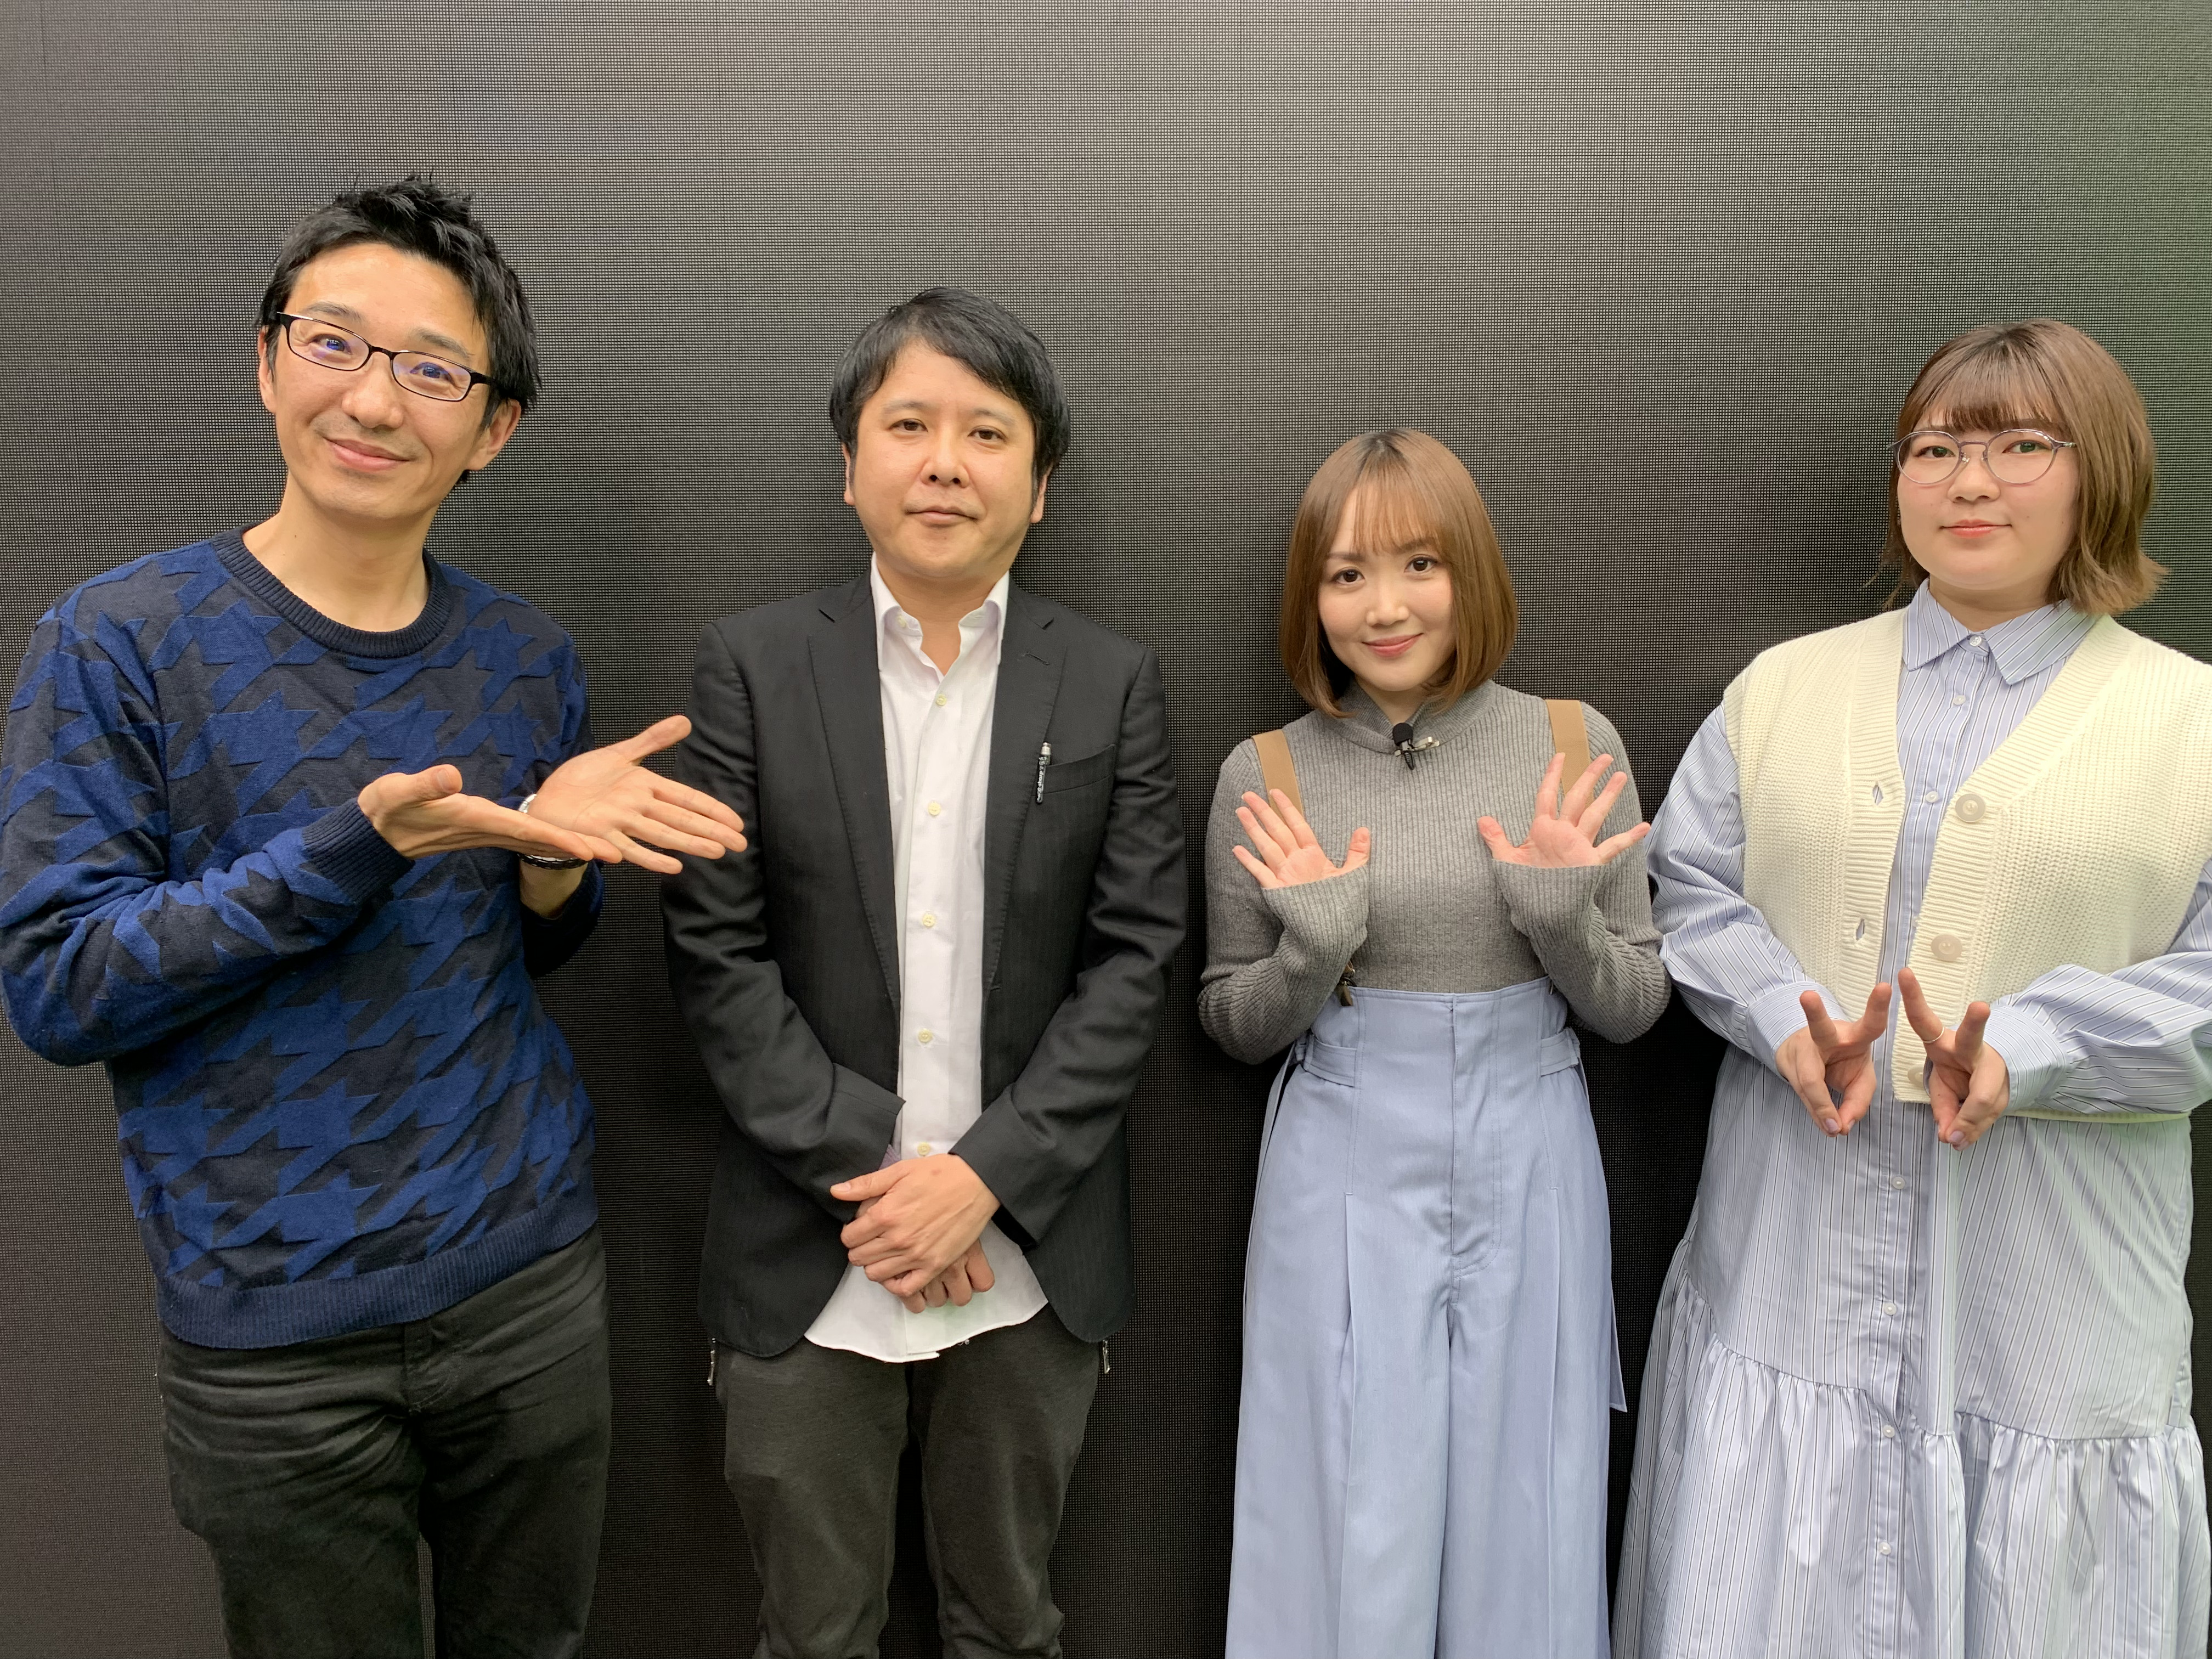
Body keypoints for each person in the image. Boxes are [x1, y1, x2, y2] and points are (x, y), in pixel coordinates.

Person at [0, 177, 746, 1659]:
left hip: (528, 1283)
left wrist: (554, 867)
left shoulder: (527, 657)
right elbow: (63, 986)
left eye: (431, 369)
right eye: (334, 342)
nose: (373, 399)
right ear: (268, 360)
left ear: (493, 426)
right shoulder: (117, 640)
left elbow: (527, 951)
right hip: (272, 1340)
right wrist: (357, 846)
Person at [1613, 319, 2212, 1658]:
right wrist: (1783, 1017)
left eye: (2020, 445)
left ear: (2101, 469)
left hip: (2047, 1283)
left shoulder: (2192, 722)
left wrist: (2034, 1049)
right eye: (1935, 449)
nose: (1969, 482)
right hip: (1791, 1249)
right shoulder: (1782, 690)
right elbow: (1687, 887)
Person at [660, 286, 1184, 1659]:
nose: (946, 461)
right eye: (909, 425)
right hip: (812, 1246)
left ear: (1040, 486)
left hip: (1027, 1252)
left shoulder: (1111, 682)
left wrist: (981, 1182)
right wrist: (892, 1183)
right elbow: (715, 950)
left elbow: (1135, 958)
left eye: (987, 432)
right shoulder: (750, 668)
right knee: (812, 1634)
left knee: (1010, 1625)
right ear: (851, 466)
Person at [1199, 428, 1668, 1658]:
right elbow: (1232, 1024)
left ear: (1473, 570)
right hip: (1343, 1142)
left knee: (1535, 1486)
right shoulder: (1265, 772)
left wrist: (1560, 920)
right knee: (1343, 1492)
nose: (1386, 606)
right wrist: (1311, 951)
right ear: (1310, 597)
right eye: (1347, 574)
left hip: (1532, 1134)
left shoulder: (1574, 745)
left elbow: (1635, 1006)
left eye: (1420, 564)